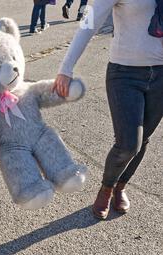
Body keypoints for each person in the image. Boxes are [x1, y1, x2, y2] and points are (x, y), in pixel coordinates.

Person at [53, 0, 163, 220]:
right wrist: (66, 68)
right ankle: (107, 188)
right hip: (124, 74)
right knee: (128, 144)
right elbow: (89, 23)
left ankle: (121, 186)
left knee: (144, 140)